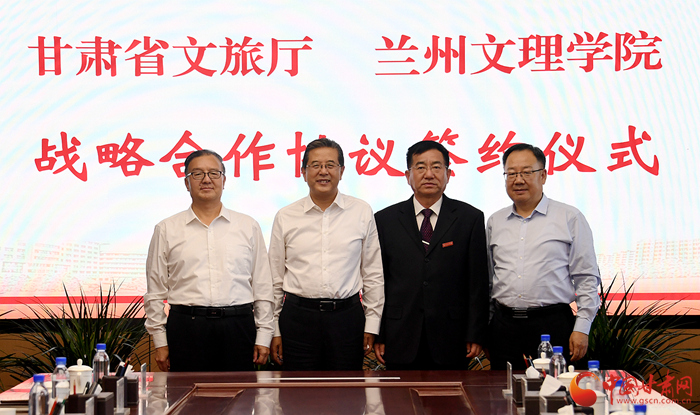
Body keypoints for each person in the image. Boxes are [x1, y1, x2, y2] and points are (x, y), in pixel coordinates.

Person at [144, 149, 274, 372]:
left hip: (238, 326)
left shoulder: (247, 226)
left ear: (224, 180)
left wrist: (264, 334)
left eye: (214, 173)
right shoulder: (166, 229)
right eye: (197, 174)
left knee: (239, 393)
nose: (206, 179)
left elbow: (262, 284)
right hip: (187, 328)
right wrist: (160, 341)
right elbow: (155, 291)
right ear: (187, 183)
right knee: (188, 393)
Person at [268, 138, 384, 370]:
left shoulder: (361, 211)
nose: (323, 171)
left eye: (330, 165)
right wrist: (274, 329)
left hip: (347, 318)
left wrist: (372, 324)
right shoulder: (286, 216)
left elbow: (373, 273)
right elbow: (274, 279)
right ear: (303, 172)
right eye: (315, 165)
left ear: (342, 171)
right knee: (298, 389)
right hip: (298, 319)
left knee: (346, 390)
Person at [373, 140, 489, 369]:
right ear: (408, 176)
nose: (429, 174)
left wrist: (475, 333)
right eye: (420, 167)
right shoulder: (385, 220)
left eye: (436, 167)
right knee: (400, 392)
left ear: (448, 174)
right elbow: (379, 280)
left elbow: (478, 282)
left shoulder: (470, 218)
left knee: (451, 393)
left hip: (453, 336)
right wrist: (380, 333)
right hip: (399, 334)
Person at [487, 143, 601, 370]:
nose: (518, 180)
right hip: (504, 326)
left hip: (552, 325)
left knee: (556, 389)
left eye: (526, 172)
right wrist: (487, 327)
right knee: (502, 389)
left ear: (544, 175)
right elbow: (489, 280)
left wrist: (582, 327)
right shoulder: (495, 222)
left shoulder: (569, 217)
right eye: (511, 173)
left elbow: (586, 277)